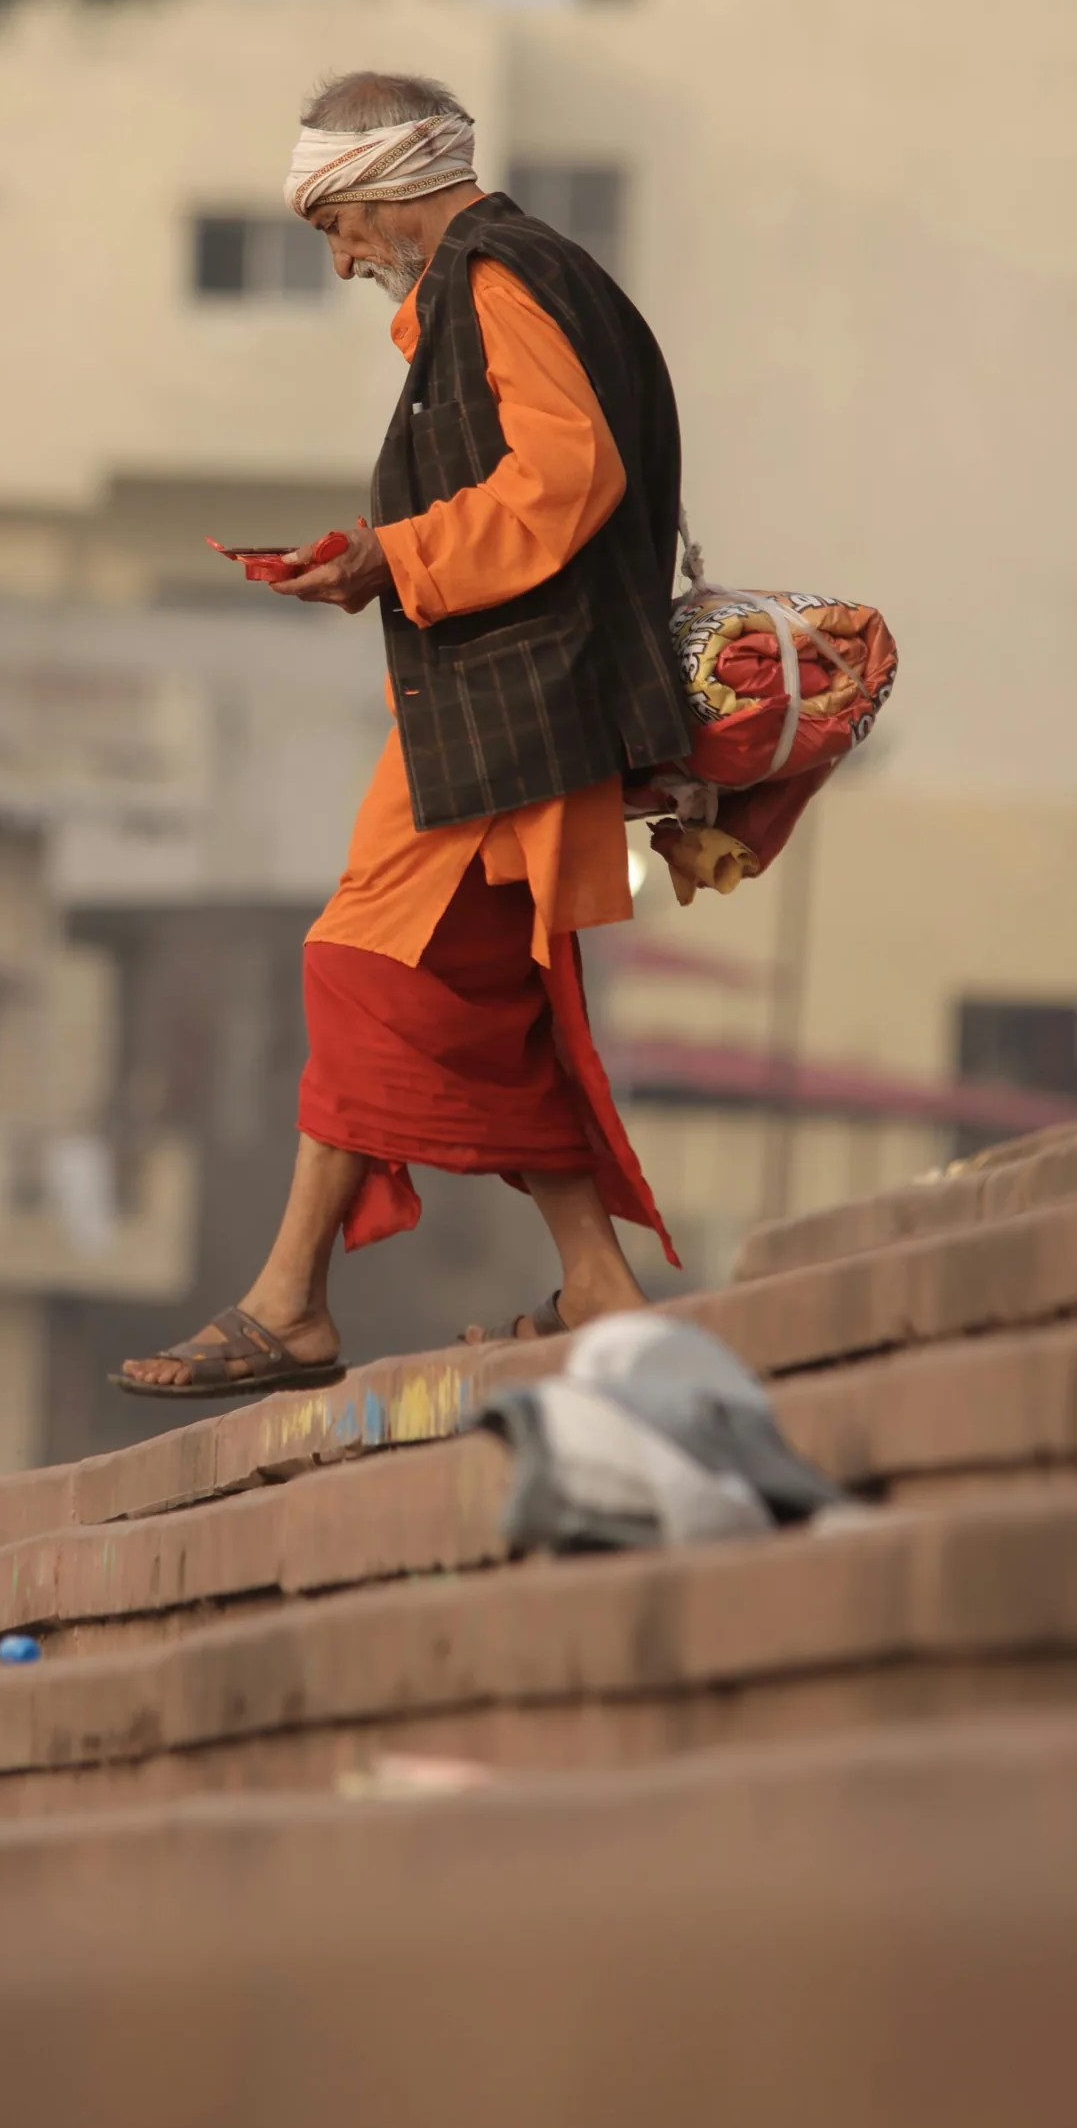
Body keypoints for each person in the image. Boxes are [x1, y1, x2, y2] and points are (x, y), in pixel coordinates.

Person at [119, 69, 694, 1400]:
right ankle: (592, 1285)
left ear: (386, 189)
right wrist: (382, 557)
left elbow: (568, 477)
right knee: (476, 993)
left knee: (361, 965)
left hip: (512, 712)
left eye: (337, 226)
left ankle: (290, 1304)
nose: (338, 261)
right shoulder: (517, 276)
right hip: (508, 708)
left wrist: (396, 555)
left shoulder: (496, 279)